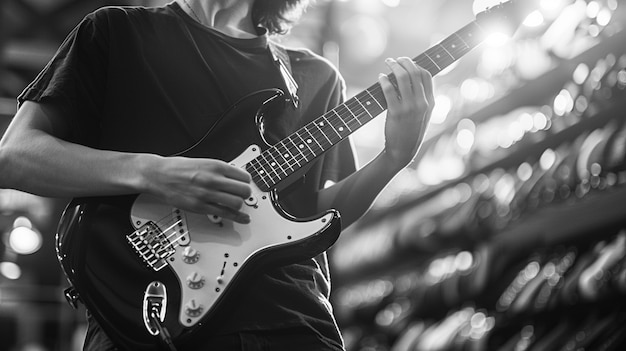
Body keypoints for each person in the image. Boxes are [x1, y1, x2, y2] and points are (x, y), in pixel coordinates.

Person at [0, 0, 434, 350]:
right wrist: (152, 173)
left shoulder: (315, 77)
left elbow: (316, 214)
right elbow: (16, 156)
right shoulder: (116, 32)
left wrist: (393, 158)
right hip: (147, 316)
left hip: (292, 322)